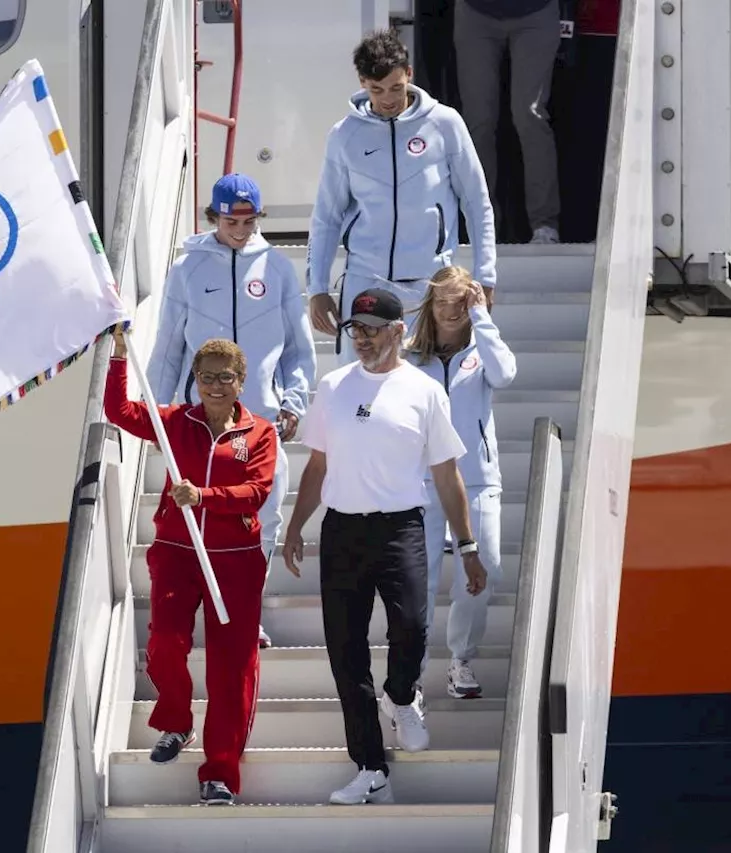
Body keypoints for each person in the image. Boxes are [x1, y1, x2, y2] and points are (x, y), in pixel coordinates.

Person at [282, 288, 488, 806]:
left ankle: (401, 695)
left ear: (399, 331)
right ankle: (370, 767)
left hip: (402, 529)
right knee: (345, 653)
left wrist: (467, 546)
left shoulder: (423, 390)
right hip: (342, 532)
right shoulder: (331, 387)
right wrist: (294, 527)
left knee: (412, 628)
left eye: (373, 328)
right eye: (356, 329)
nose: (362, 338)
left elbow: (447, 474)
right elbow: (318, 466)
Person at [105, 328, 277, 806]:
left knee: (231, 668)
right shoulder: (175, 422)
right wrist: (121, 357)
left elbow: (257, 492)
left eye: (225, 377)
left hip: (236, 560)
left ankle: (219, 772)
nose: (215, 386)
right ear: (194, 380)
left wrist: (204, 497)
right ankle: (176, 722)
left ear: (241, 380)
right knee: (163, 643)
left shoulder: (260, 433)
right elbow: (119, 412)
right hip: (178, 551)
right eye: (206, 378)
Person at [147, 173, 316, 649]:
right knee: (200, 517)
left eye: (249, 220)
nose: (241, 229)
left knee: (262, 516)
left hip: (260, 422)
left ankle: (244, 613)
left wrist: (293, 400)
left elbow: (298, 351)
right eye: (231, 220)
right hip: (201, 422)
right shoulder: (188, 271)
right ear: (213, 218)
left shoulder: (279, 269)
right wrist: (161, 411)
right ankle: (193, 614)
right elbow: (167, 349)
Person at [305, 28, 496, 367]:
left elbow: (476, 203)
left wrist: (486, 276)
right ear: (362, 82)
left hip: (430, 289)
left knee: (430, 392)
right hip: (365, 285)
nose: (388, 98)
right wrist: (317, 288)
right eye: (376, 89)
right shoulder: (344, 135)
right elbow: (327, 217)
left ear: (409, 74)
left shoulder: (445, 124)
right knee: (361, 394)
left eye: (396, 86)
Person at [405, 266, 517, 699]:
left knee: (483, 568)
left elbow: (505, 374)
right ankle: (409, 674)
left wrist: (483, 316)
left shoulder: (482, 349)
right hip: (423, 483)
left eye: (460, 301)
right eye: (442, 301)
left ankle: (460, 660)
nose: (451, 310)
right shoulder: (411, 357)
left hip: (476, 481)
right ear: (430, 306)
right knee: (420, 580)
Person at [453, 0, 563, 244]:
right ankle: (482, 226)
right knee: (477, 121)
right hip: (475, 13)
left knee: (529, 115)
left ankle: (545, 224)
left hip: (537, 12)